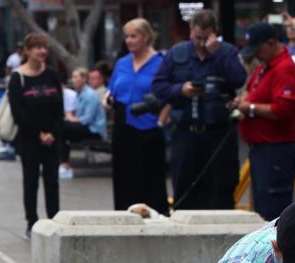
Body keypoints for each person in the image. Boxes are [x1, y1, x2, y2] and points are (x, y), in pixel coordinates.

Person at [151, 10, 246, 211]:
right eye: (197, 37)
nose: (201, 43)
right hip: (185, 133)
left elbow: (238, 79)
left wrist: (217, 53)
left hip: (219, 134)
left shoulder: (227, 52)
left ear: (215, 33)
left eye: (206, 38)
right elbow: (158, 87)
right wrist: (181, 90)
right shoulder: (176, 54)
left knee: (222, 189)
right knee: (184, 189)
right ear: (190, 32)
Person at [231, 22, 295, 221]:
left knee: (273, 211)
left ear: (271, 43)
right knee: (261, 209)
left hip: (276, 150)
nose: (255, 55)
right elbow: (250, 92)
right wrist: (242, 102)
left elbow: (283, 110)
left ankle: (276, 251)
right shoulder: (264, 68)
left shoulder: (284, 68)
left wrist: (249, 108)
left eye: (258, 49)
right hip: (261, 150)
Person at [105, 18, 167, 214]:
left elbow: (169, 97)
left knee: (150, 179)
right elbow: (110, 91)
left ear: (146, 37)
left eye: (134, 36)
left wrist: (160, 122)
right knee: (124, 177)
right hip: (123, 124)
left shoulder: (160, 63)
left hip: (149, 124)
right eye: (127, 36)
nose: (129, 40)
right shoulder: (122, 63)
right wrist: (106, 100)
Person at [8, 32, 62, 240]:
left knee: (52, 181)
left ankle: (55, 219)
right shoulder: (17, 77)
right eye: (37, 47)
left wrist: (52, 133)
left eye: (44, 47)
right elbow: (18, 112)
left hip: (53, 138)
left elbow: (60, 108)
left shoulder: (52, 75)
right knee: (31, 181)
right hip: (29, 139)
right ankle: (32, 221)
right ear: (27, 51)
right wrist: (39, 134)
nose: (42, 51)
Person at [58, 67, 106, 180]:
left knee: (62, 127)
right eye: (72, 77)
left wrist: (71, 119)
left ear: (84, 79)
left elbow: (87, 119)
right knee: (59, 129)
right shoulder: (79, 94)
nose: (72, 80)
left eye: (75, 77)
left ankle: (64, 164)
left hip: (93, 130)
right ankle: (62, 163)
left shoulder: (90, 95)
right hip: (83, 126)